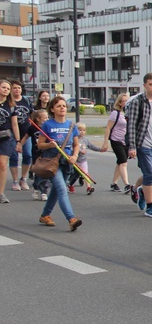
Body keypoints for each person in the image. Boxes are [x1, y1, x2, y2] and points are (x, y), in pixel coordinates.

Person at [125, 73, 152, 218]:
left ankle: (143, 191)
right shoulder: (137, 102)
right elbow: (131, 125)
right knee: (150, 174)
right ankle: (150, 207)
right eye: (151, 84)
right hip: (144, 144)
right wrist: (132, 146)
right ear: (144, 85)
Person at [37, 96, 83, 231]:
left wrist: (75, 156)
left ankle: (45, 215)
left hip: (67, 162)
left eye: (64, 105)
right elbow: (39, 144)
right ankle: (71, 219)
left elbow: (76, 145)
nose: (62, 108)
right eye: (59, 106)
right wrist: (49, 145)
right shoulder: (48, 124)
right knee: (62, 190)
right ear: (52, 109)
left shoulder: (71, 125)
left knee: (56, 191)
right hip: (53, 163)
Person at [101, 93, 131, 193]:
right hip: (116, 140)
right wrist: (105, 142)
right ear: (119, 103)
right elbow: (108, 128)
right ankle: (127, 185)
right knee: (123, 162)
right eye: (124, 101)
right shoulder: (116, 113)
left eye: (127, 100)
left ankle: (114, 183)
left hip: (126, 141)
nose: (126, 103)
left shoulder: (129, 113)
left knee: (120, 162)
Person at [9, 81, 34, 192]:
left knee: (28, 155)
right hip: (11, 133)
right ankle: (15, 180)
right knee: (14, 157)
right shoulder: (8, 101)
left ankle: (23, 178)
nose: (17, 90)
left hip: (26, 132)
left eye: (18, 88)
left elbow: (32, 114)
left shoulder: (26, 100)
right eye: (14, 88)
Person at [0, 79, 22, 204]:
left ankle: (1, 193)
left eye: (8, 89)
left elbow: (14, 124)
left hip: (6, 137)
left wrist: (18, 141)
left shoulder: (12, 106)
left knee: (3, 164)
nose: (6, 90)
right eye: (4, 87)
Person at [21, 109, 51, 201]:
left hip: (47, 153)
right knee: (38, 172)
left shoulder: (49, 127)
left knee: (45, 172)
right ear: (38, 119)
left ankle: (44, 191)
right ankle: (36, 186)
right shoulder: (32, 128)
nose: (47, 119)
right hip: (36, 153)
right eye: (45, 117)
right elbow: (26, 137)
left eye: (47, 117)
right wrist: (19, 145)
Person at [66, 122, 102, 195]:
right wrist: (79, 151)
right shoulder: (73, 139)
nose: (82, 132)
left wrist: (100, 149)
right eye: (80, 130)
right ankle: (70, 185)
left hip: (83, 160)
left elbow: (91, 146)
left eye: (84, 130)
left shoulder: (85, 140)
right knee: (74, 174)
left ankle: (88, 188)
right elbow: (71, 148)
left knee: (85, 173)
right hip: (75, 160)